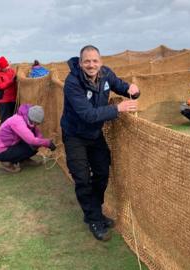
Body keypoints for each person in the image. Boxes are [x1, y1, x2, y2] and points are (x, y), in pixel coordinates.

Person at [60, 45, 140, 241]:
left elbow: (120, 86)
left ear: (101, 62)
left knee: (102, 173)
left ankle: (95, 211)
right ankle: (94, 219)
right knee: (82, 179)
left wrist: (132, 89)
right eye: (87, 61)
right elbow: (87, 115)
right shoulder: (72, 82)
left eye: (95, 61)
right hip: (74, 135)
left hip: (94, 135)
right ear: (80, 63)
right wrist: (118, 109)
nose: (91, 65)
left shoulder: (105, 75)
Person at [0, 104, 56, 173]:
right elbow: (32, 140)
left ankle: (23, 160)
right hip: (0, 151)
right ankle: (6, 163)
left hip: (9, 145)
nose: (37, 125)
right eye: (37, 123)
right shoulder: (18, 122)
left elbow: (36, 131)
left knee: (35, 145)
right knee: (32, 146)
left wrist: (40, 139)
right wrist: (47, 143)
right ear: (33, 119)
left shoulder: (26, 117)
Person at [0, 56, 18, 124]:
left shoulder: (10, 70)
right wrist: (10, 82)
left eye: (7, 66)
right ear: (0, 67)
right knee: (5, 122)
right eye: (5, 67)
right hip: (3, 101)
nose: (7, 68)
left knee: (13, 121)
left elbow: (16, 77)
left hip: (13, 99)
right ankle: (2, 134)